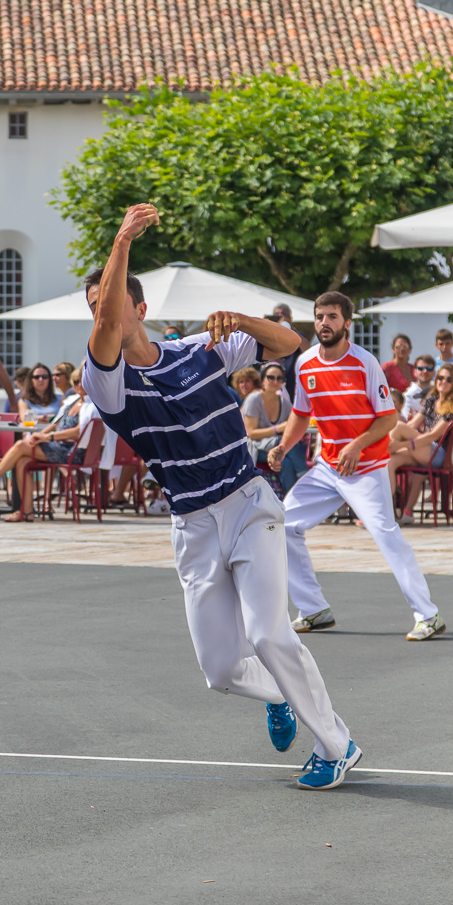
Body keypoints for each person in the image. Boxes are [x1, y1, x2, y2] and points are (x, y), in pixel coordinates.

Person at [81, 203, 362, 791]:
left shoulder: (199, 349)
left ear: (142, 309)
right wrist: (121, 240)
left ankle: (336, 744)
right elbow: (105, 327)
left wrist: (243, 321)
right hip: (192, 524)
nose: (102, 313)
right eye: (94, 307)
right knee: (221, 670)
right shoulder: (105, 380)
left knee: (269, 633)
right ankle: (280, 696)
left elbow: (287, 342)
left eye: (110, 302)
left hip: (248, 503)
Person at [268, 291, 444, 642]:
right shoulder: (305, 364)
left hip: (367, 467)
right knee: (284, 525)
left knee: (386, 535)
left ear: (346, 323)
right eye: (320, 316)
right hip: (328, 468)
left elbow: (388, 418)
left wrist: (356, 444)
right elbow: (301, 416)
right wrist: (283, 446)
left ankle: (429, 615)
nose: (324, 323)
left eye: (332, 317)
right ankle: (313, 610)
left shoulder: (365, 362)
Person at [0, 382, 86, 522]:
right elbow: (55, 424)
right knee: (22, 461)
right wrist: (39, 436)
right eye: (77, 382)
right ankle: (26, 512)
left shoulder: (91, 406)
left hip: (72, 452)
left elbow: (78, 431)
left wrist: (47, 437)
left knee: (20, 446)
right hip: (59, 447)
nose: (79, 385)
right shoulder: (73, 402)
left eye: (84, 382)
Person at [388, 362, 453, 525]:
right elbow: (412, 426)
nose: (443, 381)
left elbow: (433, 436)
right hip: (421, 449)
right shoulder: (432, 400)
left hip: (439, 454)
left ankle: (378, 452)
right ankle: (390, 511)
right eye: (440, 378)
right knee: (390, 461)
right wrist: (395, 441)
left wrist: (401, 445)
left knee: (398, 428)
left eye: (448, 379)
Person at [242, 362, 307, 496]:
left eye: (279, 378)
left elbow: (292, 427)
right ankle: (304, 476)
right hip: (254, 448)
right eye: (271, 377)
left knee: (286, 462)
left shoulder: (284, 402)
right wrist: (278, 428)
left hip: (274, 448)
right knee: (286, 445)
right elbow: (251, 434)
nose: (275, 381)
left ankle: (289, 502)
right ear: (263, 379)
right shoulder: (254, 399)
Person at [269, 303, 310, 400]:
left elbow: (307, 349)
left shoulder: (297, 335)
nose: (280, 316)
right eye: (276, 315)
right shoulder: (270, 337)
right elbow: (273, 360)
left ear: (290, 318)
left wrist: (289, 330)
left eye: (284, 314)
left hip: (294, 388)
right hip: (275, 388)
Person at [401, 355, 435, 420]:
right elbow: (406, 420)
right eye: (421, 368)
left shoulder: (440, 391)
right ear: (415, 372)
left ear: (434, 372)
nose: (425, 371)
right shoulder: (408, 396)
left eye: (429, 369)